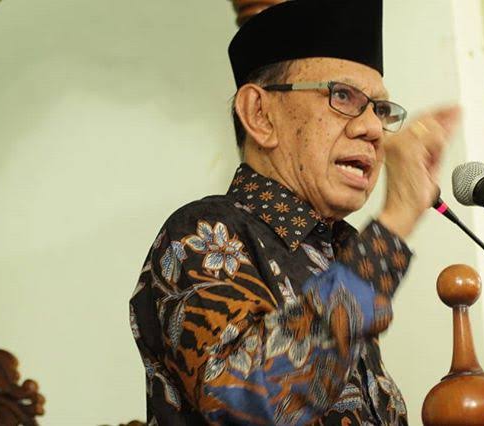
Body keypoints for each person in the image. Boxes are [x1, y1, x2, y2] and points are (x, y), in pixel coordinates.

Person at [130, 0, 460, 424]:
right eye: (342, 96)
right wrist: (394, 223)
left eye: (380, 110)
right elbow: (251, 401)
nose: (373, 129)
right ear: (260, 114)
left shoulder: (342, 252)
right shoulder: (200, 233)